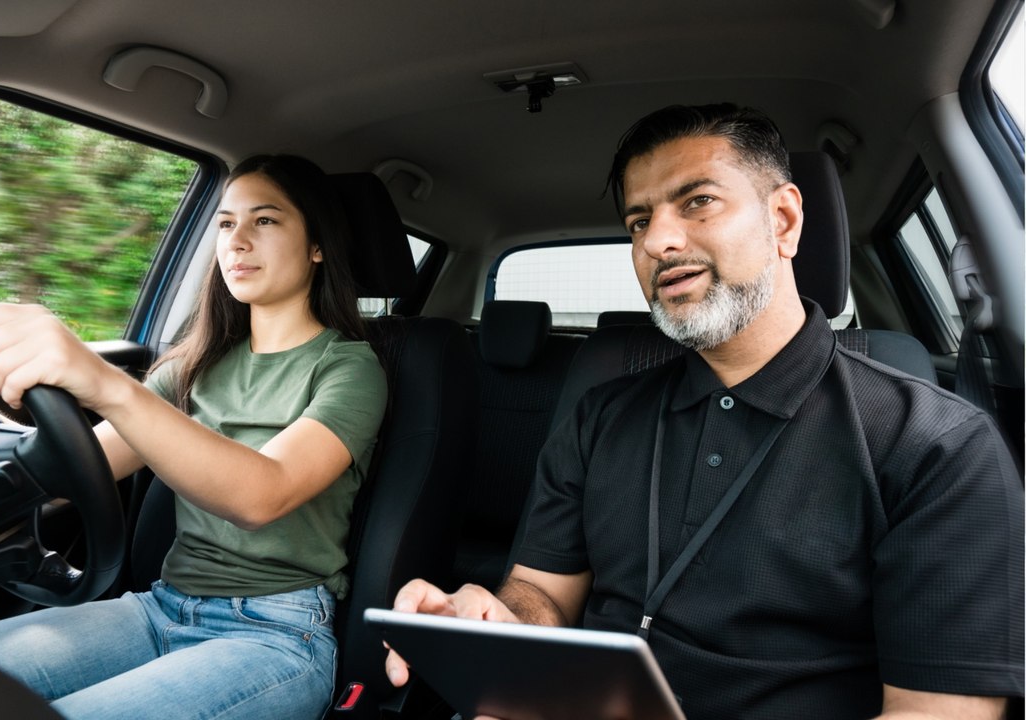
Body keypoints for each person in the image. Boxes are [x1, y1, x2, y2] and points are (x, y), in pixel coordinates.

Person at [385, 104, 1024, 720]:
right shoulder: (599, 416)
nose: (657, 241)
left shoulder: (936, 442)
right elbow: (542, 591)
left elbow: (941, 710)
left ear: (783, 220)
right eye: (639, 222)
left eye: (698, 201)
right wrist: (496, 621)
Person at [0, 154, 389, 720]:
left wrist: (104, 383)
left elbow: (262, 495)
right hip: (158, 608)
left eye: (264, 220)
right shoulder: (193, 366)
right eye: (225, 222)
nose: (236, 241)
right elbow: (68, 468)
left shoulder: (348, 368)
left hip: (276, 634)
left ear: (317, 246)